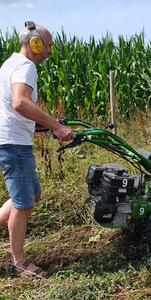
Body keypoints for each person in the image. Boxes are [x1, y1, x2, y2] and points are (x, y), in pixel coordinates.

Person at [0, 21, 75, 278]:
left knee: (32, 197)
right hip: (13, 144)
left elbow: (12, 106)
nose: (49, 51)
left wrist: (41, 126)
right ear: (35, 43)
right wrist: (55, 126)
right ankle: (19, 263)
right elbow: (20, 103)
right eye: (49, 45)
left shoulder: (9, 63)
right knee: (22, 205)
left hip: (14, 141)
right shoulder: (26, 65)